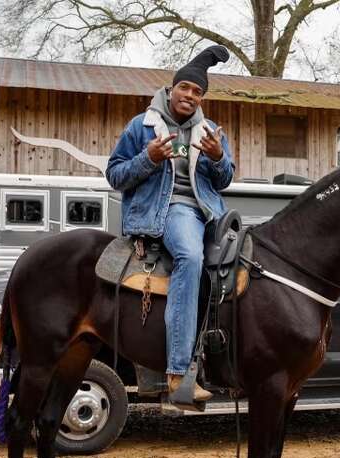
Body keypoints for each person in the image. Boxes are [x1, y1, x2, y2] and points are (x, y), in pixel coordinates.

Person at [106, 45, 235, 401]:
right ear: (171, 88)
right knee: (190, 259)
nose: (190, 96)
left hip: (208, 213)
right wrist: (147, 159)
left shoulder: (209, 131)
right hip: (169, 211)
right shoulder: (142, 126)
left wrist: (219, 157)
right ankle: (179, 373)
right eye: (186, 88)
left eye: (197, 92)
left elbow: (224, 180)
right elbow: (115, 175)